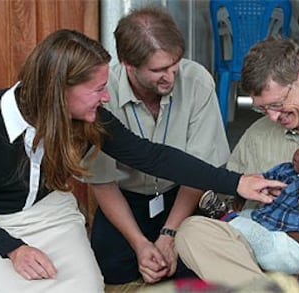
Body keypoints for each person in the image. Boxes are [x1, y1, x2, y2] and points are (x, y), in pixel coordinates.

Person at [0, 29, 284, 293]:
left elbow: (153, 156)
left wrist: (237, 182)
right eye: (97, 89)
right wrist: (14, 249)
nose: (107, 97)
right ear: (60, 89)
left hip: (50, 217)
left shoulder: (87, 119)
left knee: (85, 286)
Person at [175, 36, 299, 287]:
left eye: (277, 104)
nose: (272, 117)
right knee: (193, 232)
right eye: (262, 109)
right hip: (267, 244)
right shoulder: (256, 135)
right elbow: (232, 205)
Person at [85, 6, 230, 285]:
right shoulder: (103, 96)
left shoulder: (197, 81)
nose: (171, 76)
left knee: (195, 269)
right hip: (126, 198)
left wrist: (169, 235)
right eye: (158, 70)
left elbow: (199, 170)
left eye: (174, 64)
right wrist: (139, 243)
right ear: (128, 64)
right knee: (110, 270)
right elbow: (102, 182)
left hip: (184, 193)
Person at [199, 121, 299, 275]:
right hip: (271, 229)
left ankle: (224, 215)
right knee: (246, 215)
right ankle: (226, 222)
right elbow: (259, 181)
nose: (298, 153)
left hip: (293, 251)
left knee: (257, 236)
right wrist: (240, 192)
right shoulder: (287, 169)